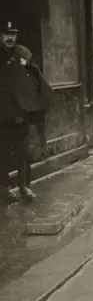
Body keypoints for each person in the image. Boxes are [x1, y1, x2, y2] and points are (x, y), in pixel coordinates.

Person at [0, 21, 52, 205]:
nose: (9, 38)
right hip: (2, 114)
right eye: (6, 34)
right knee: (2, 153)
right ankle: (4, 189)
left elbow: (36, 76)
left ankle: (24, 187)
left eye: (13, 34)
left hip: (20, 112)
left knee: (23, 152)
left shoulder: (23, 53)